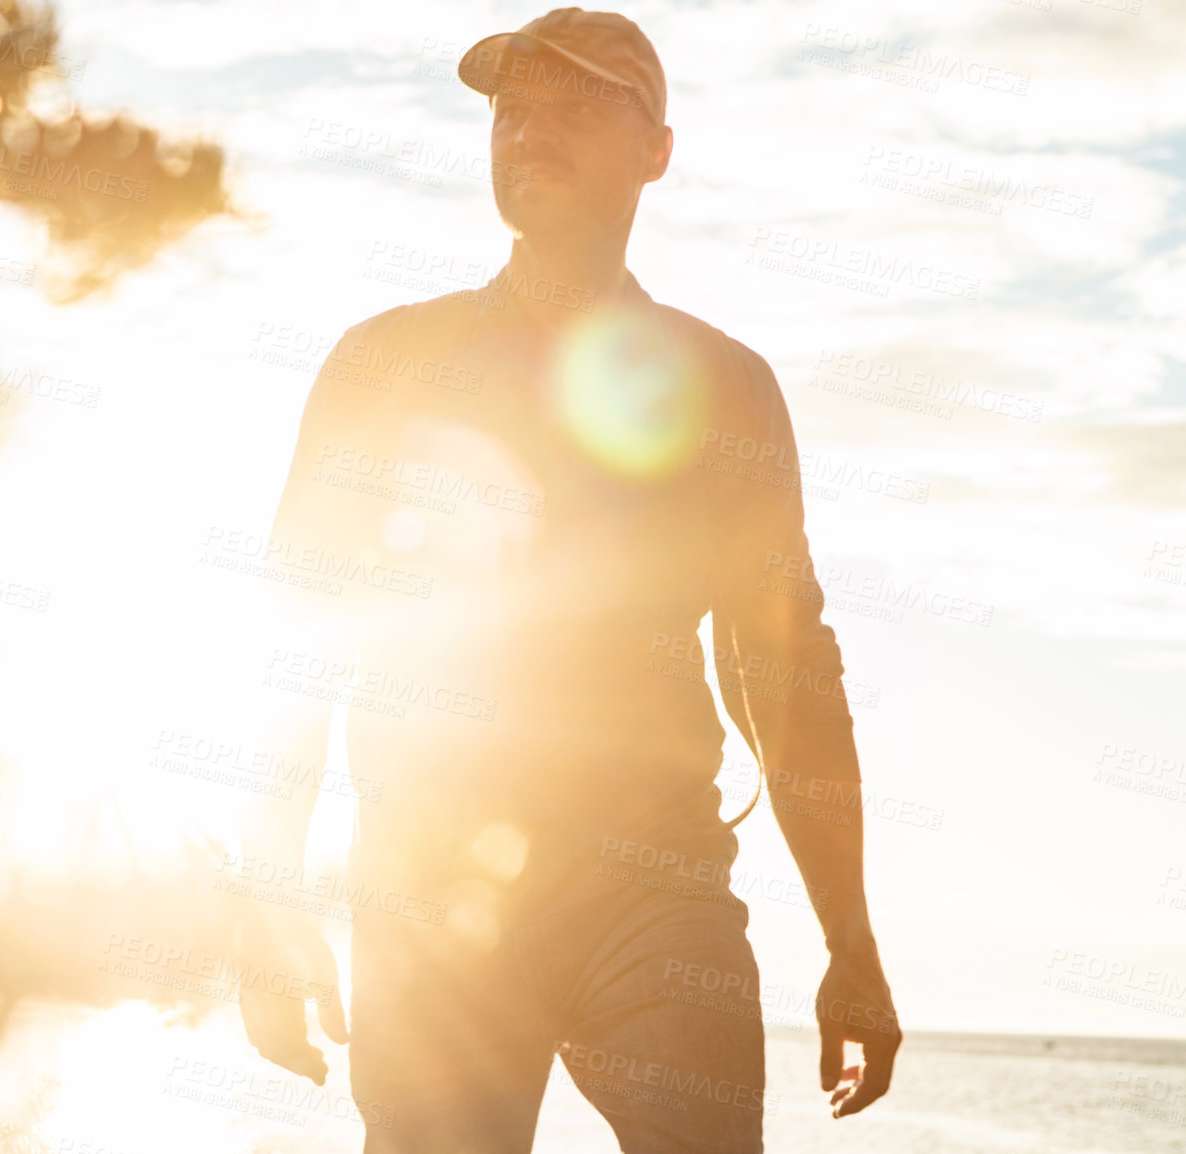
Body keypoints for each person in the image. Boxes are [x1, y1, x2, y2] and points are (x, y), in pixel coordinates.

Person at [235, 10, 900, 1152]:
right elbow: (296, 641)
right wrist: (265, 896)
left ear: (657, 149)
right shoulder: (383, 363)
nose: (528, 128)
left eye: (579, 102)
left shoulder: (725, 389)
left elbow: (781, 666)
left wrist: (850, 938)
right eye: (509, 107)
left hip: (654, 889)